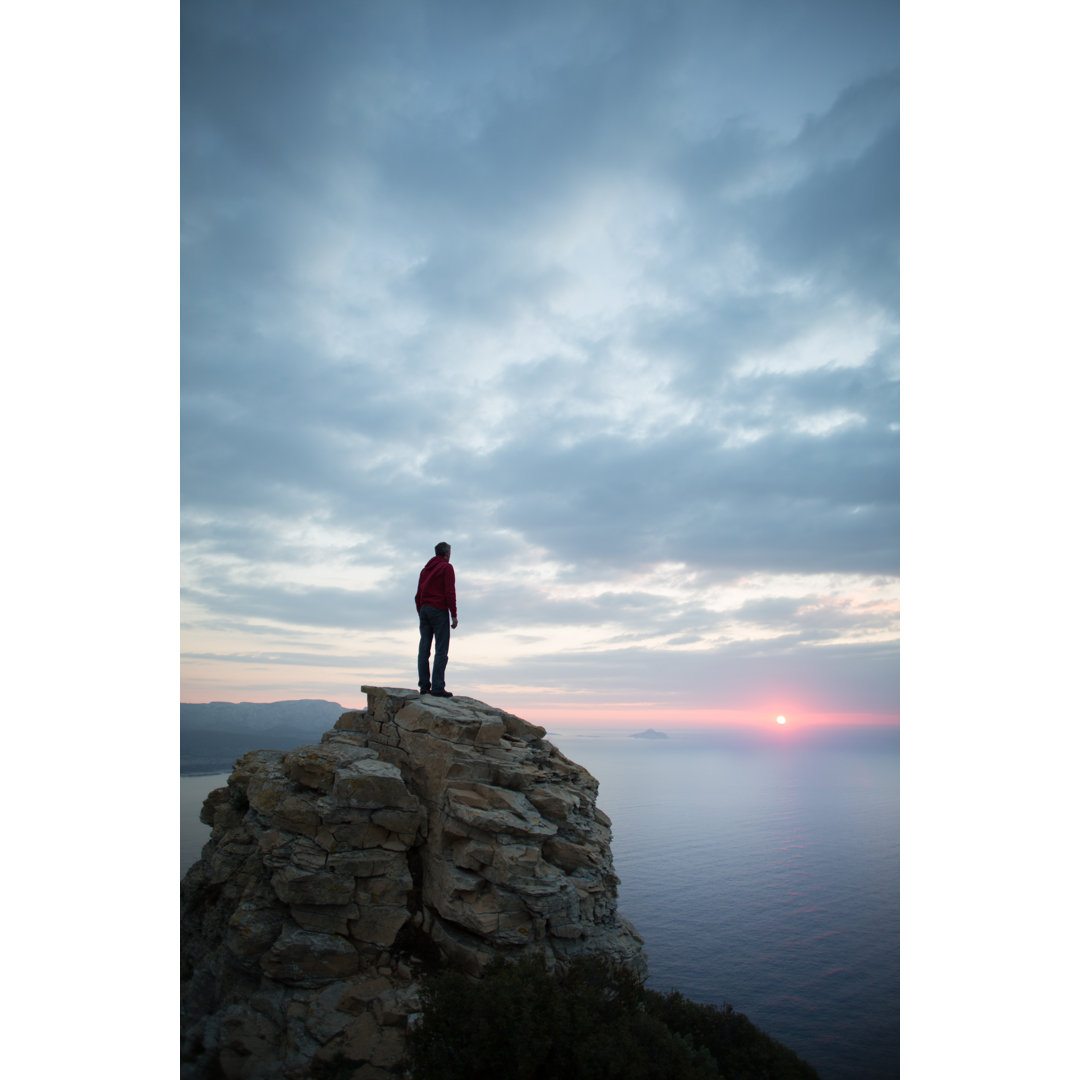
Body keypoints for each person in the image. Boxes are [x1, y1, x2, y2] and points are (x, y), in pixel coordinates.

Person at [415, 541, 458, 697]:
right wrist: (453, 615)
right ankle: (438, 687)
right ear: (447, 553)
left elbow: (417, 595)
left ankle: (424, 687)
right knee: (441, 649)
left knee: (424, 649)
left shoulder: (424, 570)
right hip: (438, 610)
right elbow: (449, 592)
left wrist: (421, 611)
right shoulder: (447, 567)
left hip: (425, 609)